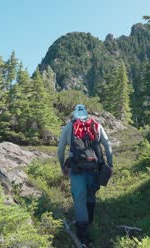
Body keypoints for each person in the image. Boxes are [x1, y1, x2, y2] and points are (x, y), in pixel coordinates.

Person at [57, 104, 113, 246]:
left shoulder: (69, 127)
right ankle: (90, 222)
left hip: (76, 169)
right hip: (94, 168)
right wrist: (110, 165)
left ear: (74, 115)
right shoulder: (96, 125)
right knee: (91, 195)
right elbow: (107, 144)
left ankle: (82, 235)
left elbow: (61, 149)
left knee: (79, 200)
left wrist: (62, 165)